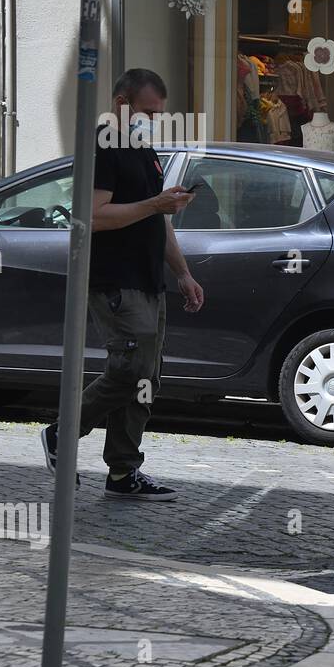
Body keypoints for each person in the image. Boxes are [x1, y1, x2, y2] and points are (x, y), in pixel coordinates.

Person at [39, 69, 204, 500]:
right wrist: (155, 203)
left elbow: (159, 219)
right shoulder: (103, 145)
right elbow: (93, 216)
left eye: (159, 113)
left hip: (149, 279)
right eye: (147, 111)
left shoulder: (143, 148)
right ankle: (62, 432)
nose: (153, 119)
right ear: (120, 103)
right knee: (130, 369)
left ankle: (123, 472)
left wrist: (183, 273)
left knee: (146, 377)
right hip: (116, 280)